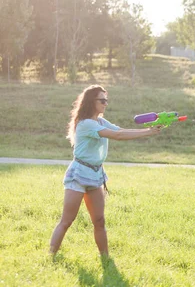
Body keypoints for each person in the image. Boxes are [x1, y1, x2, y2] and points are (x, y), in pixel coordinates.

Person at [49, 85, 161, 258]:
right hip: (78, 175)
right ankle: (51, 255)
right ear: (91, 102)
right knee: (67, 221)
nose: (105, 104)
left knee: (99, 221)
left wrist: (150, 130)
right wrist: (148, 132)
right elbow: (117, 136)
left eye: (106, 100)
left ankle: (106, 259)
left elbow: (120, 131)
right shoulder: (86, 124)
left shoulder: (100, 122)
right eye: (102, 100)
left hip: (95, 175)